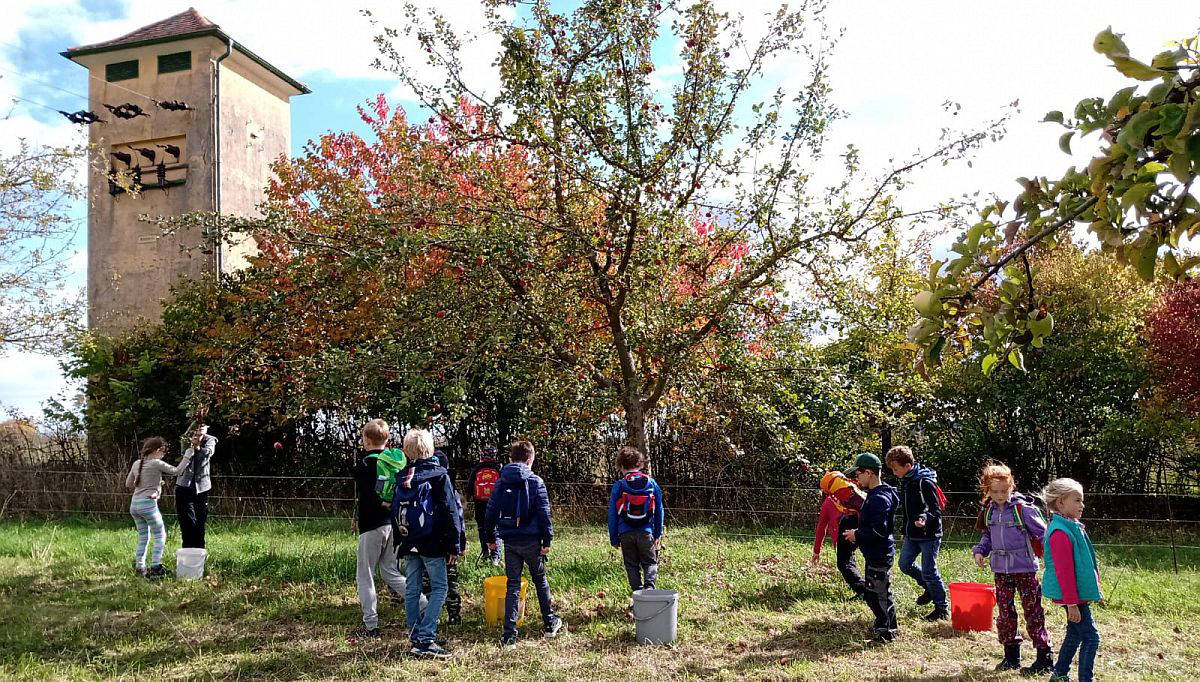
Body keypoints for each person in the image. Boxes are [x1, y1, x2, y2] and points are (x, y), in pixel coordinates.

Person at [972, 462, 1054, 674]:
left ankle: (1044, 657)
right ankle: (1011, 655)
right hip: (1001, 570)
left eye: (1004, 491)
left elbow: (1042, 534)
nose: (1000, 495)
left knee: (1033, 611)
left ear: (1012, 487)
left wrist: (1052, 559)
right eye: (995, 491)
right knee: (1005, 613)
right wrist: (980, 550)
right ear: (987, 490)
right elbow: (987, 536)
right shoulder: (989, 511)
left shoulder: (1023, 509)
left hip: (1025, 569)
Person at [485, 440, 564, 648]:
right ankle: (549, 623)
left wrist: (490, 538)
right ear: (531, 458)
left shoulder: (501, 482)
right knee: (540, 580)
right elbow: (544, 514)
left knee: (512, 584)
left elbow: (490, 512)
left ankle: (509, 635)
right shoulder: (536, 481)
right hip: (532, 541)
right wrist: (547, 540)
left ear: (511, 459)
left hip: (510, 541)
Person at [396, 428, 465, 659]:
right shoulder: (438, 475)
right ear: (431, 449)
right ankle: (426, 638)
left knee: (412, 589)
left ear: (406, 450)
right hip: (432, 542)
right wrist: (454, 544)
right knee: (440, 588)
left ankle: (416, 635)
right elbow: (450, 511)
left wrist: (400, 540)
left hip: (409, 540)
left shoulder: (403, 476)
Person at [350, 419, 410, 639]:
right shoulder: (396, 463)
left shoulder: (364, 466)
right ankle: (423, 604)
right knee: (389, 571)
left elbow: (368, 494)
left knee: (365, 573)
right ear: (387, 440)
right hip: (392, 524)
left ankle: (371, 624)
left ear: (366, 440)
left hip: (371, 525)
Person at [1041, 478, 1102, 682]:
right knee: (1091, 638)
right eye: (1077, 500)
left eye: (1082, 501)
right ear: (1060, 503)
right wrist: (1071, 604)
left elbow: (1086, 562)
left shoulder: (1073, 526)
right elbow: (1064, 573)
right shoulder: (1060, 533)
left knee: (1075, 634)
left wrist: (1095, 587)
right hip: (1071, 596)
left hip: (1077, 594)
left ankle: (1059, 674)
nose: (1082, 505)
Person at [885, 445, 949, 621]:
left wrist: (924, 518)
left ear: (907, 466)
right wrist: (904, 529)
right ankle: (928, 587)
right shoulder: (906, 481)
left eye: (896, 469)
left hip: (929, 534)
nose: (894, 472)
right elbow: (906, 509)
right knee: (905, 564)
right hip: (912, 533)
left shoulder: (924, 482)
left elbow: (935, 509)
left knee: (929, 570)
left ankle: (942, 608)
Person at [842, 453, 899, 643]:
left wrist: (856, 535)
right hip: (877, 553)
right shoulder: (876, 495)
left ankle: (886, 632)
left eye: (858, 474)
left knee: (877, 595)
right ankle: (889, 625)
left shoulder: (878, 499)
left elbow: (878, 530)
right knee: (879, 592)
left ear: (869, 473)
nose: (856, 478)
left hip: (879, 554)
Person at [125, 436, 190, 579]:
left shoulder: (137, 463)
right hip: (148, 505)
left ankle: (140, 567)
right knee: (160, 535)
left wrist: (152, 484)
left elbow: (128, 484)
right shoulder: (156, 463)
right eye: (163, 452)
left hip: (134, 505)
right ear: (157, 450)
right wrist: (187, 455)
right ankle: (155, 567)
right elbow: (177, 471)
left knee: (143, 537)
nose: (163, 455)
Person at [607, 446, 664, 592]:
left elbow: (612, 514)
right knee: (650, 562)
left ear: (620, 466)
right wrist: (658, 533)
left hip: (625, 533)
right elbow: (659, 511)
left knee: (631, 565)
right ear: (640, 464)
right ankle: (649, 589)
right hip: (646, 532)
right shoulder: (651, 483)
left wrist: (614, 538)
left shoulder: (619, 485)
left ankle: (637, 594)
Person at [818, 469, 867, 597]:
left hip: (852, 523)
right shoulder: (850, 487)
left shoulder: (837, 496)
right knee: (861, 558)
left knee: (844, 562)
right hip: (856, 522)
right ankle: (869, 589)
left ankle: (864, 591)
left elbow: (821, 527)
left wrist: (816, 551)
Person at [174, 424, 217, 549]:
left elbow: (208, 453)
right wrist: (191, 442)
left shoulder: (210, 440)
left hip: (201, 488)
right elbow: (184, 452)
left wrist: (198, 446)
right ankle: (187, 551)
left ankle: (199, 552)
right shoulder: (186, 438)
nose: (198, 430)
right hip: (183, 485)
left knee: (199, 521)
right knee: (186, 521)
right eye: (196, 428)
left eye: (202, 428)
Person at [467, 445, 503, 564]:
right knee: (496, 528)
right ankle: (496, 557)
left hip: (480, 505)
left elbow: (469, 488)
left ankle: (485, 552)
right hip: (497, 505)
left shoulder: (477, 469)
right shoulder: (499, 468)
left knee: (482, 528)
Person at [811, 489, 841, 567]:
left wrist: (816, 551)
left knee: (846, 566)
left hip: (840, 537)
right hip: (861, 534)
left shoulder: (828, 501)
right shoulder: (853, 496)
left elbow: (821, 527)